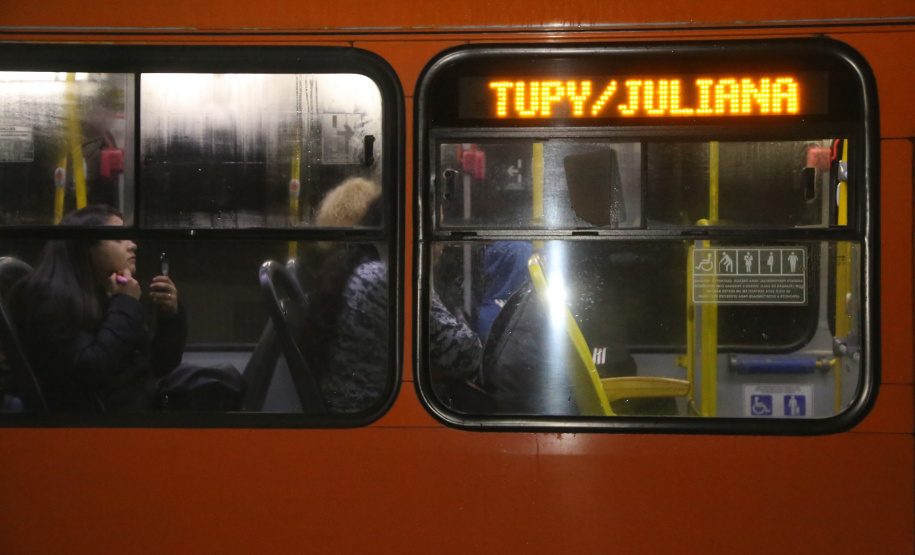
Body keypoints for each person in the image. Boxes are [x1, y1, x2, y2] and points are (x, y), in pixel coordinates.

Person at [9, 204, 241, 411]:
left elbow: (160, 365)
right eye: (119, 238)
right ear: (87, 248)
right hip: (99, 419)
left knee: (222, 381)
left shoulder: (103, 293)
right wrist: (126, 304)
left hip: (127, 402)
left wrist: (170, 317)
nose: (133, 245)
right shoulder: (48, 298)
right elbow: (92, 369)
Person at [308, 181, 482, 413]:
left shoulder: (358, 267)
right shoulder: (388, 280)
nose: (442, 243)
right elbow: (466, 355)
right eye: (435, 231)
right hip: (370, 413)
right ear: (414, 232)